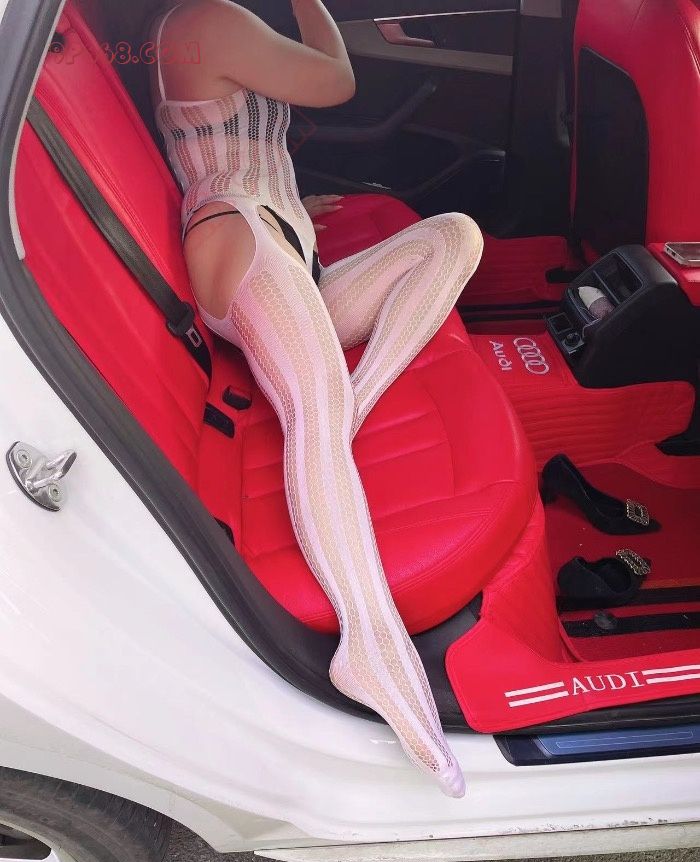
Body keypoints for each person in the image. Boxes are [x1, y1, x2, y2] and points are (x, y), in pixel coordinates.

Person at [148, 0, 483, 797]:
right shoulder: (209, 19)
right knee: (312, 415)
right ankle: (369, 643)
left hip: (280, 232)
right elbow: (335, 83)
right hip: (239, 237)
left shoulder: (210, 21)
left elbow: (242, 137)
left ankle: (352, 401)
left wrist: (295, 206)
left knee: (453, 235)